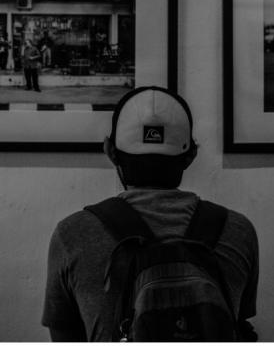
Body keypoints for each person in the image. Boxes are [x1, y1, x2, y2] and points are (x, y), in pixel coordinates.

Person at [42, 86, 259, 341]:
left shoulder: (73, 234)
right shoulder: (238, 230)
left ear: (110, 151)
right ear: (190, 156)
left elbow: (64, 334)